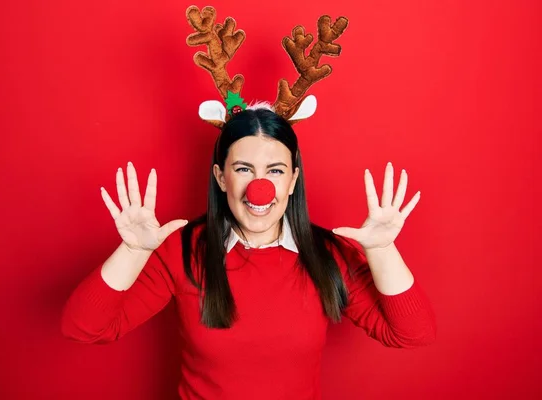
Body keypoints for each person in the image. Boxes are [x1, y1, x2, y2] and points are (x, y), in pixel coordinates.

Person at [61, 7, 436, 399]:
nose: (260, 188)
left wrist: (383, 250)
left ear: (293, 180)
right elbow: (83, 328)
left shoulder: (327, 256)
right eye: (244, 168)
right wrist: (132, 250)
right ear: (221, 177)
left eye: (275, 171)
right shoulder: (181, 251)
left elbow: (413, 334)